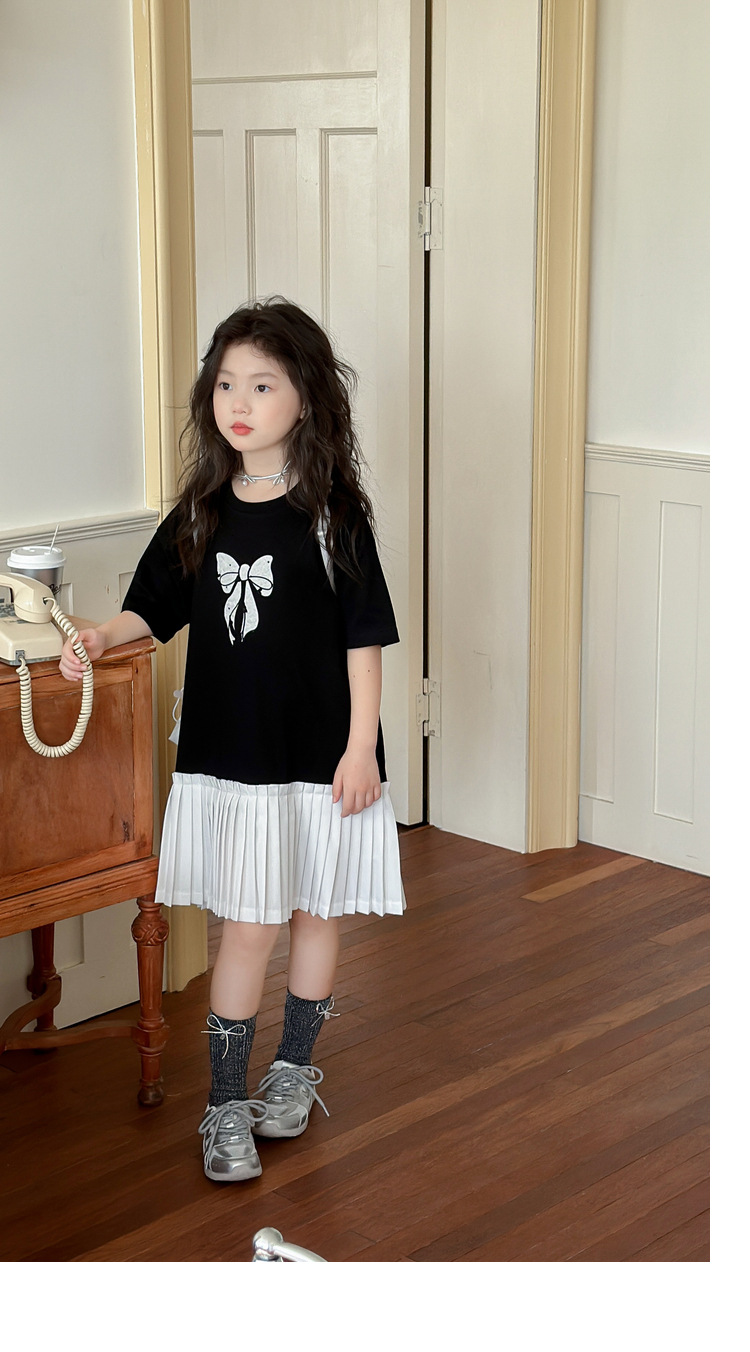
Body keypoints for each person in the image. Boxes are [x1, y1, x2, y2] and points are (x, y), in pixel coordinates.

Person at [59, 298, 405, 1182]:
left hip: (324, 755)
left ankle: (291, 1073)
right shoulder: (201, 511)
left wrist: (361, 748)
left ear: (306, 398)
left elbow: (364, 641)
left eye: (262, 385)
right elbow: (151, 609)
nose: (239, 403)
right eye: (225, 385)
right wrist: (100, 635)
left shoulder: (333, 514)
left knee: (317, 913)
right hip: (233, 754)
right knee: (248, 927)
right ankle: (222, 1105)